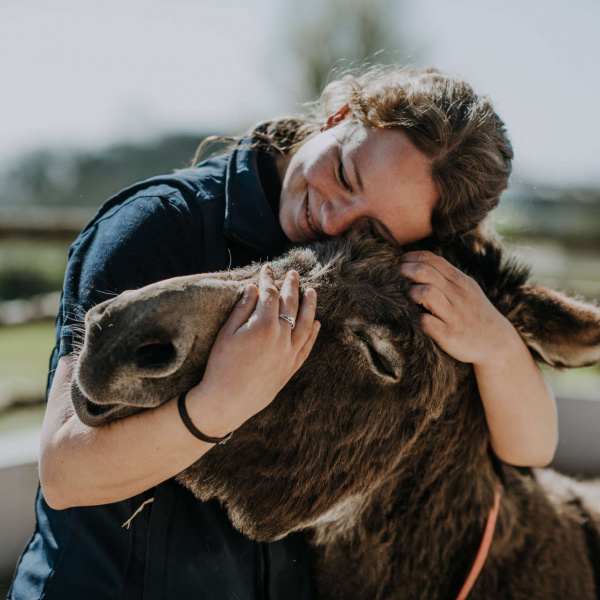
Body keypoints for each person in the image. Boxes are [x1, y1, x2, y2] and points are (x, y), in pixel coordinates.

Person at [9, 66, 558, 599]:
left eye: (371, 231)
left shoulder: (391, 282)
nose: (331, 217)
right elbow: (64, 473)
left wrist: (496, 342)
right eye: (345, 174)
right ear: (340, 114)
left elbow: (530, 449)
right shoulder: (159, 223)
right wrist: (218, 406)